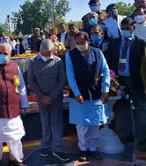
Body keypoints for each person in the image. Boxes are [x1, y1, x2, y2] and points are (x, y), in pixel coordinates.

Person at [66, 31, 110, 162]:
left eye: (82, 43)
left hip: (95, 93)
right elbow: (70, 75)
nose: (80, 45)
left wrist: (106, 90)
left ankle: (92, 149)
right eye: (77, 43)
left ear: (88, 41)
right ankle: (83, 149)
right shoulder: (70, 54)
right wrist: (77, 92)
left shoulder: (98, 53)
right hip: (79, 95)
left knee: (95, 124)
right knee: (81, 125)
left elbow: (106, 71)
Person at [106, 17, 146, 158]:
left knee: (141, 110)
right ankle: (127, 137)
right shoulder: (114, 43)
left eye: (127, 29)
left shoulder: (141, 43)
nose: (124, 31)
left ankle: (141, 142)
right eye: (122, 29)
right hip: (119, 82)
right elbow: (110, 61)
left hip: (137, 82)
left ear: (133, 28)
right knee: (123, 109)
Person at [28, 39, 69, 161]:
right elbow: (31, 81)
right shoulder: (32, 62)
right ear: (41, 51)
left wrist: (52, 96)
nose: (49, 54)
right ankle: (45, 146)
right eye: (46, 52)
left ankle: (58, 149)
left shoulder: (58, 61)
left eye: (51, 52)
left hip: (55, 98)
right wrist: (41, 96)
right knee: (45, 122)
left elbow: (62, 81)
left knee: (56, 123)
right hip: (41, 99)